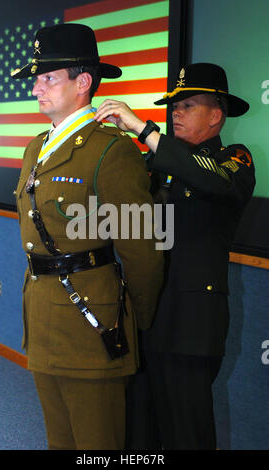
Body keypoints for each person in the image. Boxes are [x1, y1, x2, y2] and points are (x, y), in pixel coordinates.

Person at [11, 23, 163, 450]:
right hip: (42, 317)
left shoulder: (110, 150)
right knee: (59, 438)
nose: (37, 88)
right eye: (36, 79)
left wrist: (135, 320)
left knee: (97, 444)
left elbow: (141, 250)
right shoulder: (34, 147)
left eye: (48, 78)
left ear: (83, 83)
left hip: (93, 325)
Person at [94, 63, 256, 450]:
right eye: (174, 106)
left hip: (192, 325)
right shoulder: (159, 164)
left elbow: (210, 178)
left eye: (187, 105)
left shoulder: (235, 160)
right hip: (148, 312)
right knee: (141, 427)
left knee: (186, 432)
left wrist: (145, 130)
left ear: (216, 115)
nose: (175, 113)